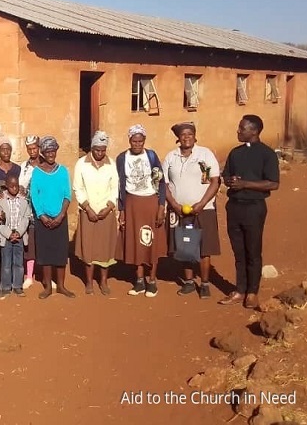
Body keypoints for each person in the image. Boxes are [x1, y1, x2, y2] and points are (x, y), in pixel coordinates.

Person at [219, 115, 280, 309]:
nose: (238, 131)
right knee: (238, 252)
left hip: (254, 208)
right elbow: (226, 175)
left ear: (254, 131)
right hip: (234, 206)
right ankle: (240, 290)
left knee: (253, 251)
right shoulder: (235, 153)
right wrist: (230, 180)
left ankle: (252, 292)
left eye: (241, 128)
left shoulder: (267, 154)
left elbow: (273, 183)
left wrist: (245, 183)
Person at [163, 122, 221, 299]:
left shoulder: (205, 155)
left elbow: (214, 181)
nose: (186, 137)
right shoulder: (171, 157)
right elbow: (164, 184)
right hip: (178, 210)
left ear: (195, 136)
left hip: (204, 209)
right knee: (184, 247)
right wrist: (174, 204)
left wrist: (202, 203)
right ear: (178, 138)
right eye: (183, 135)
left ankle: (204, 284)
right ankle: (188, 282)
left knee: (204, 247)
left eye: (190, 134)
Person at [115, 125, 167, 298]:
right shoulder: (122, 158)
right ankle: (139, 281)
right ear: (129, 140)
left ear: (144, 141)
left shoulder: (151, 156)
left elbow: (160, 182)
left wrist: (161, 206)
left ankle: (152, 280)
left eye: (140, 141)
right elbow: (120, 185)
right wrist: (121, 209)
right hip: (132, 203)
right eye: (134, 141)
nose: (137, 144)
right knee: (135, 242)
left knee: (152, 240)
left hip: (150, 202)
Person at [73, 131, 119, 296]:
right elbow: (78, 188)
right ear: (92, 148)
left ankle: (104, 281)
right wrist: (88, 208)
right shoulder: (81, 164)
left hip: (106, 212)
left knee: (105, 248)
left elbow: (115, 188)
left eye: (103, 150)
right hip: (88, 212)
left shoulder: (111, 164)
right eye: (97, 150)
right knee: (89, 248)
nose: (100, 153)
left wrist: (109, 207)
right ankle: (89, 282)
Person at [30, 136, 73, 300]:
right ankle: (48, 287)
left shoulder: (63, 171)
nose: (50, 154)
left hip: (60, 218)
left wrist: (61, 215)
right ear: (43, 152)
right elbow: (34, 195)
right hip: (44, 220)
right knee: (46, 253)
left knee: (60, 252)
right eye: (47, 151)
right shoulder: (37, 172)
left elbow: (67, 195)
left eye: (53, 151)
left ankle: (61, 286)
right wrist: (42, 215)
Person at [0, 173, 31, 296]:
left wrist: (19, 232)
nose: (14, 188)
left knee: (18, 262)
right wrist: (9, 234)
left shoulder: (23, 200)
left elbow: (26, 217)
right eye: (11, 186)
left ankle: (17, 285)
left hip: (20, 237)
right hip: (6, 237)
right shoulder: (0, 201)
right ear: (6, 186)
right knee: (6, 262)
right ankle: (6, 286)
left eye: (16, 186)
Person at [19, 135, 44, 290]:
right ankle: (29, 276)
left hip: (43, 208)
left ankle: (44, 276)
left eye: (35, 148)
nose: (32, 151)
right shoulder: (25, 166)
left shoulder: (45, 163)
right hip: (29, 210)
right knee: (31, 243)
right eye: (30, 149)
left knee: (44, 242)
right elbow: (21, 185)